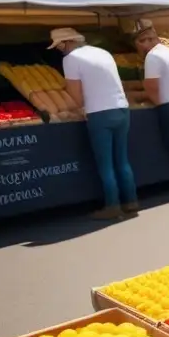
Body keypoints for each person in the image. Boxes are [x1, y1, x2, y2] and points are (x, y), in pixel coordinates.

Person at [49, 27, 138, 219]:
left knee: (105, 163)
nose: (59, 50)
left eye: (59, 46)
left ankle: (113, 205)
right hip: (121, 108)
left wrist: (77, 106)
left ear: (66, 43)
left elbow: (75, 92)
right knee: (122, 160)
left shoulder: (70, 59)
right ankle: (131, 202)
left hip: (99, 113)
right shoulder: (102, 52)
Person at [132, 19, 169, 196]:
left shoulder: (152, 57)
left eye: (140, 43)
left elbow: (151, 86)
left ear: (147, 41)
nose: (140, 48)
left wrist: (158, 104)